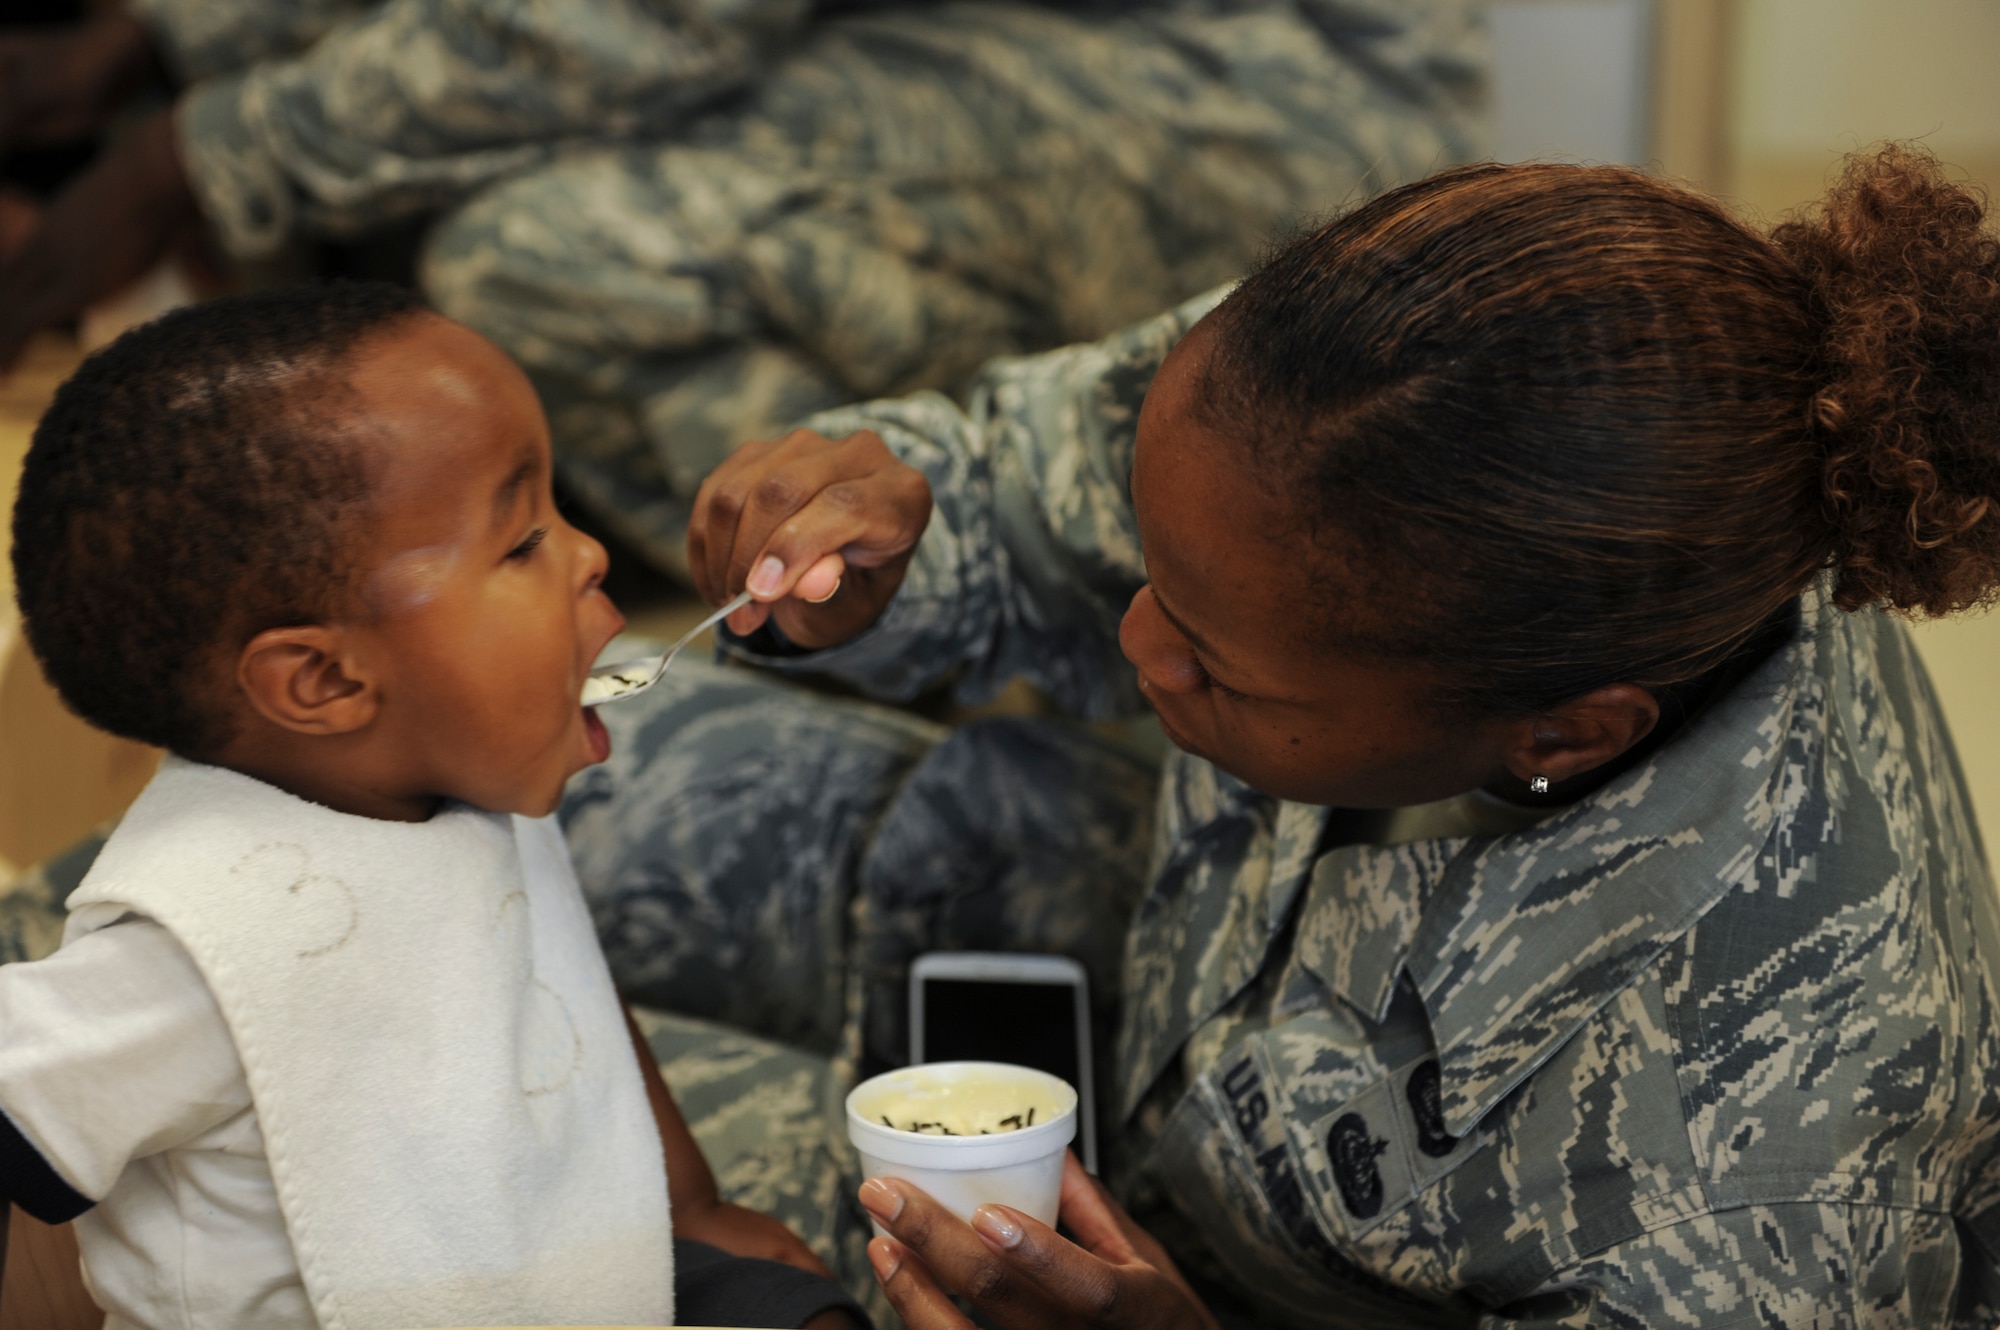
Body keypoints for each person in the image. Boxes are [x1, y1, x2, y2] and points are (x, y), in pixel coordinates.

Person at [585, 143, 2000, 1325]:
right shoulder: (1392, 378)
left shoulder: (1765, 1188)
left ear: (1564, 730)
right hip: (1077, 907)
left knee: (542, 1182)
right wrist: (869, 547)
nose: (1133, 641)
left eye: (1211, 657)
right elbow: (1014, 480)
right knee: (524, 762)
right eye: (1153, 569)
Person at [0, 285, 866, 1330]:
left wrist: (689, 1204)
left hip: (542, 1263)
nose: (589, 553)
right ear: (323, 680)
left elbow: (564, 997)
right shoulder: (201, 946)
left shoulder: (460, 787)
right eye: (520, 542)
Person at [0, 0, 1483, 576]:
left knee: (549, 243)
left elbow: (642, 20)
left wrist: (195, 148)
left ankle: (921, 595)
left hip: (1275, 104)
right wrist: (173, 37)